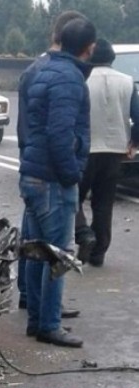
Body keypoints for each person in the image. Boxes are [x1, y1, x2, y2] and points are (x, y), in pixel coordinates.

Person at [19, 18, 97, 348]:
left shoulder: (45, 70)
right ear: (89, 47)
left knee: (39, 252)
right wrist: (72, 174)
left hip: (34, 174)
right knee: (57, 258)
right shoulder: (69, 78)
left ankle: (37, 319)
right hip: (52, 179)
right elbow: (60, 133)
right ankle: (49, 324)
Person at [75, 39, 139, 267]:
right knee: (103, 203)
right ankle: (99, 252)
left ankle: (83, 233)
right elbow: (138, 117)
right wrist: (133, 142)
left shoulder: (82, 80)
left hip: (86, 150)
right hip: (115, 151)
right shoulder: (127, 82)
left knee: (74, 197)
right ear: (112, 58)